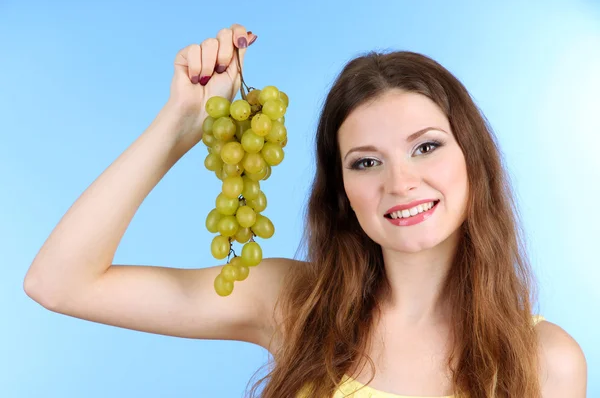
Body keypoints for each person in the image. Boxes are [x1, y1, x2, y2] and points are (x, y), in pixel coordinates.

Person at [23, 24, 587, 398]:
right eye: (366, 163)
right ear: (342, 192)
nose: (400, 182)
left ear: (474, 159)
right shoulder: (295, 306)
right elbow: (59, 283)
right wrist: (179, 125)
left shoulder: (547, 362)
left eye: (426, 146)